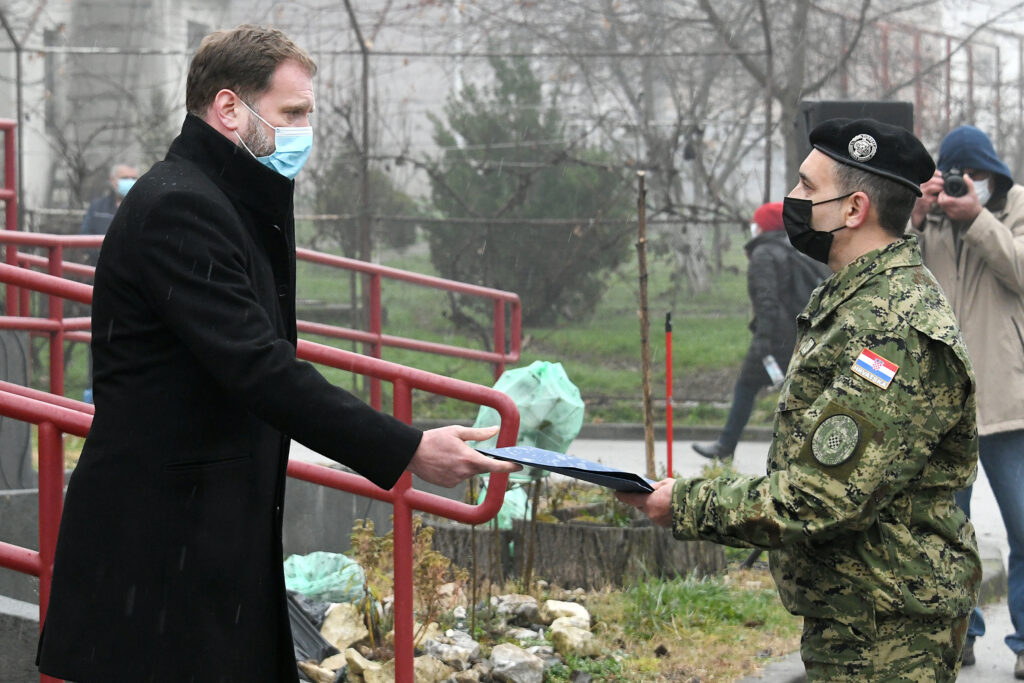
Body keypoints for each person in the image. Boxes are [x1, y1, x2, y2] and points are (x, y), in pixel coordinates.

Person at [36, 25, 519, 683]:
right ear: (230, 108)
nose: (303, 132)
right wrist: (407, 447)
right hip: (160, 561)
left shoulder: (225, 200)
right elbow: (260, 366)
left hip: (199, 552)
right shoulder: (180, 207)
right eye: (291, 113)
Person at [618, 118, 980, 681]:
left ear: (854, 209)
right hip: (861, 613)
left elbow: (821, 495)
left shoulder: (890, 326)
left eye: (808, 186)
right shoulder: (857, 298)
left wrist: (684, 503)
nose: (793, 198)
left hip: (889, 632)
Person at [909, 124, 1024, 676]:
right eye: (957, 175)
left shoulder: (1016, 209)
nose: (966, 184)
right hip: (939, 407)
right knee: (946, 531)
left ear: (993, 175)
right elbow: (887, 273)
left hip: (1007, 402)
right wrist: (914, 212)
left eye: (977, 175)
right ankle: (959, 635)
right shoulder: (926, 218)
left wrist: (976, 219)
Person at [692, 202, 828, 461]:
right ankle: (807, 450)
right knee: (796, 392)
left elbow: (767, 301)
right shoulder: (793, 250)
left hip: (774, 336)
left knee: (747, 385)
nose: (753, 227)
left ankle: (726, 447)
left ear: (764, 226)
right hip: (797, 334)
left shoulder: (764, 254)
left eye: (756, 222)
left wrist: (763, 339)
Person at [79, 163, 139, 262]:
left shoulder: (145, 207)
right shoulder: (97, 207)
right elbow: (85, 235)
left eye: (134, 178)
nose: (130, 182)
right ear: (112, 180)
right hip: (99, 264)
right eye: (124, 178)